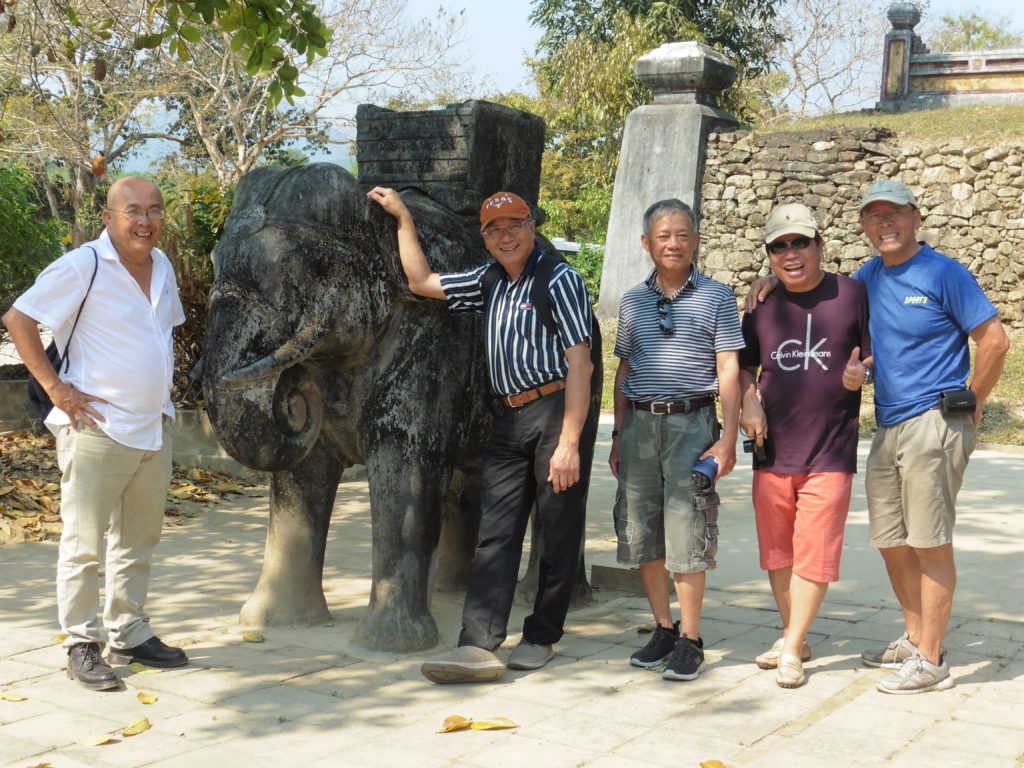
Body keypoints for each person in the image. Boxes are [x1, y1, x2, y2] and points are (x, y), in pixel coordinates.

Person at [746, 179, 1010, 694]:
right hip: (888, 425)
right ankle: (915, 638)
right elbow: (816, 283)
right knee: (893, 540)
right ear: (863, 227)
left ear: (916, 217)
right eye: (874, 217)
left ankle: (931, 659)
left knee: (930, 542)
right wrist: (768, 281)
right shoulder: (867, 279)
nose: (884, 224)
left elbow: (995, 341)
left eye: (894, 214)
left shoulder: (943, 272)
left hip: (934, 421)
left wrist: (972, 404)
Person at [367, 186, 595, 683]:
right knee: (496, 533)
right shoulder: (489, 279)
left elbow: (582, 362)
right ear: (485, 238)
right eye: (495, 229)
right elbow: (421, 280)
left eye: (514, 225)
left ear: (532, 227)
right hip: (507, 418)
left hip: (556, 410)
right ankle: (477, 643)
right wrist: (403, 217)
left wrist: (570, 442)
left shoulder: (560, 280)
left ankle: (541, 636)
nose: (505, 236)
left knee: (557, 530)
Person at [3, 176, 189, 691]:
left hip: (152, 427)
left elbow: (161, 336)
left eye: (154, 210)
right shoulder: (83, 265)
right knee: (85, 544)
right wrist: (57, 389)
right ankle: (81, 643)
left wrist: (161, 400)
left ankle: (128, 630)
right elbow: (18, 319)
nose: (145, 220)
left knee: (138, 540)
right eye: (132, 210)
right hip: (95, 430)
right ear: (108, 217)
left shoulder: (163, 265)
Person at [608, 198, 742, 681]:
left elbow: (728, 369)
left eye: (683, 234)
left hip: (693, 424)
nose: (673, 243)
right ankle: (663, 627)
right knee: (643, 529)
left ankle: (691, 637)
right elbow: (624, 367)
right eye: (663, 236)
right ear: (647, 243)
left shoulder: (717, 297)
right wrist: (619, 434)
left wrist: (727, 439)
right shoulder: (631, 300)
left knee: (688, 530)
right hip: (641, 426)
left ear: (696, 241)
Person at [738, 203, 871, 688]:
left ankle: (791, 647)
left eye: (800, 242)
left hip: (831, 449)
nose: (791, 253)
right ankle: (795, 632)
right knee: (778, 552)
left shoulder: (853, 293)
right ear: (769, 255)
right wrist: (747, 403)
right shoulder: (761, 304)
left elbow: (873, 354)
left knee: (815, 550)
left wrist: (864, 374)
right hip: (772, 446)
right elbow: (745, 366)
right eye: (779, 246)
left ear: (820, 244)